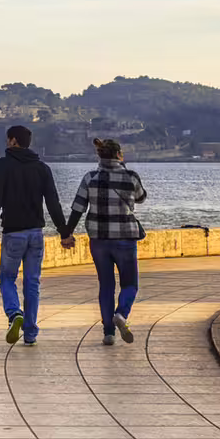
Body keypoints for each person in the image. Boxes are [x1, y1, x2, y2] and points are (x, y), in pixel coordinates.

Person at [0, 124, 67, 346]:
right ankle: (30, 333)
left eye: (7, 139)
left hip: (13, 233)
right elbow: (53, 203)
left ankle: (14, 314)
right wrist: (64, 232)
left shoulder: (3, 165)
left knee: (7, 278)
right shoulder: (42, 168)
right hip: (35, 234)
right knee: (32, 282)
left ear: (13, 141)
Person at [62, 138, 148, 346]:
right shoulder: (130, 176)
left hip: (99, 240)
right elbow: (141, 197)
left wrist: (67, 234)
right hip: (125, 238)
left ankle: (108, 332)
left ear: (99, 156)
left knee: (106, 285)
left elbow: (78, 208)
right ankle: (121, 314)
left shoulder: (90, 178)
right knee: (130, 284)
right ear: (119, 154)